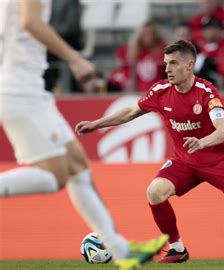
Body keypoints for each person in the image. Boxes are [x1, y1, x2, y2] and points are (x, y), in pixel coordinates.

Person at [75, 40, 224, 264]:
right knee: (155, 192)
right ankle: (177, 249)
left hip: (217, 162)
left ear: (190, 64)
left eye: (173, 63)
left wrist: (202, 143)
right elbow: (130, 112)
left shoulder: (206, 92)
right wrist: (97, 124)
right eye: (166, 64)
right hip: (185, 162)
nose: (167, 69)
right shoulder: (160, 91)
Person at [0, 0, 168, 269]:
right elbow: (30, 22)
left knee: (78, 166)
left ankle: (120, 250)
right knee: (55, 177)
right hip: (20, 92)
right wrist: (74, 58)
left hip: (31, 91)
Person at [107, 21, 167, 92]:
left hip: (158, 91)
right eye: (145, 34)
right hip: (138, 91)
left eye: (151, 34)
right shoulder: (134, 51)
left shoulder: (163, 50)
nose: (149, 37)